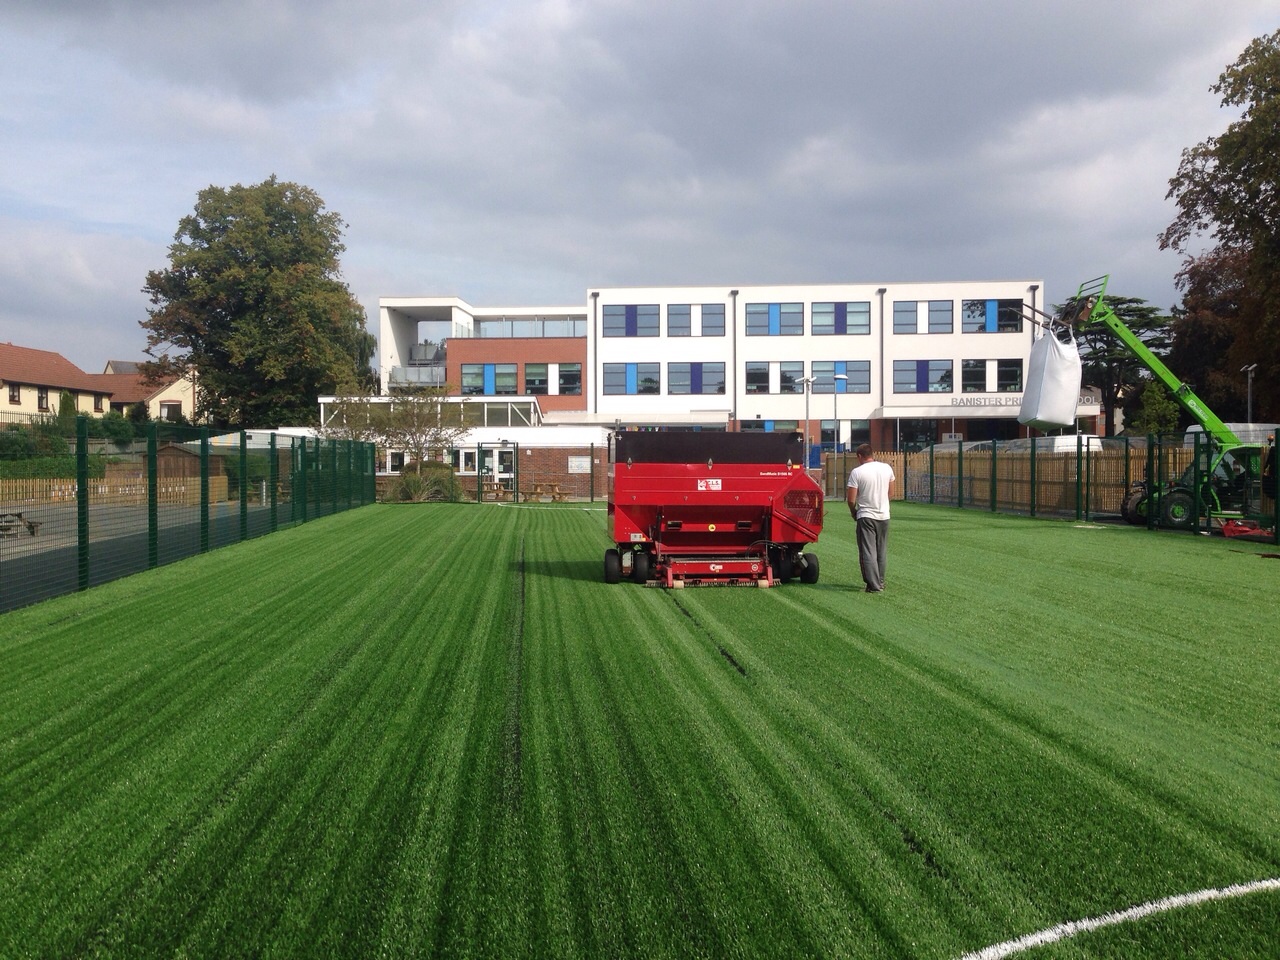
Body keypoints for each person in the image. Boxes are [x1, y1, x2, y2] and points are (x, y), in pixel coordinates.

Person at [846, 443, 895, 593]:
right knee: (881, 551)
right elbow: (891, 493)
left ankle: (873, 585)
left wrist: (854, 511)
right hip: (884, 515)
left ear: (859, 456)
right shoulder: (886, 468)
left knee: (868, 551)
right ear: (872, 454)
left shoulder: (857, 472)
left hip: (866, 515)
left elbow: (851, 499)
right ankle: (880, 581)